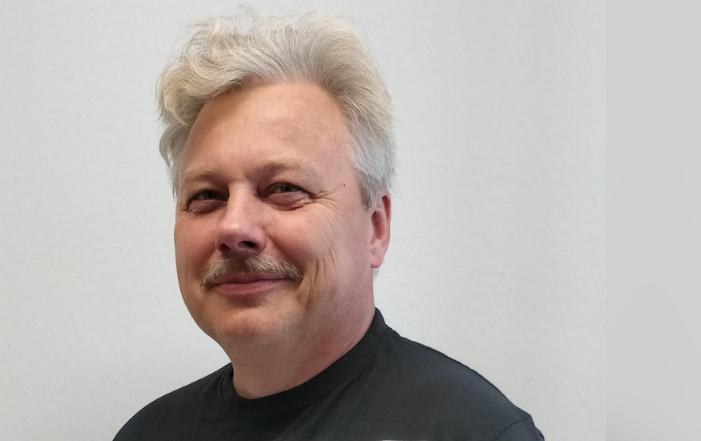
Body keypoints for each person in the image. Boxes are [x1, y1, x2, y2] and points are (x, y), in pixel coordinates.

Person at [114, 10, 544, 441]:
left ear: (375, 228)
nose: (234, 227)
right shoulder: (148, 434)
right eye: (207, 196)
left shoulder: (477, 432)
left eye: (285, 188)